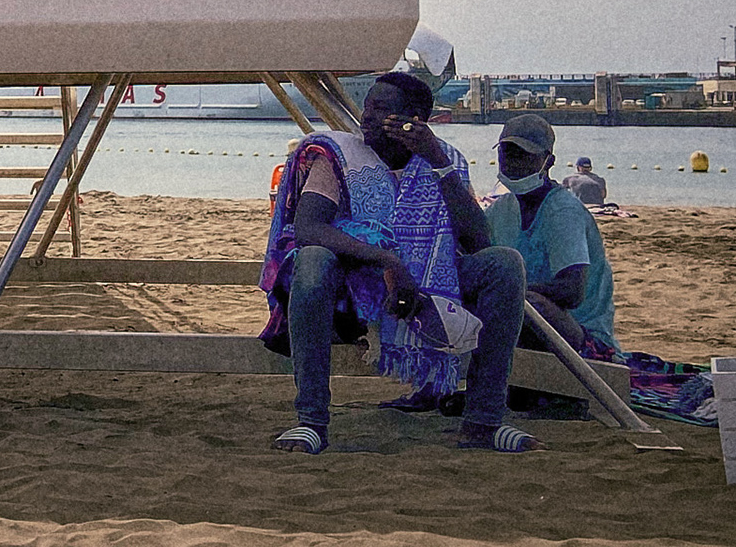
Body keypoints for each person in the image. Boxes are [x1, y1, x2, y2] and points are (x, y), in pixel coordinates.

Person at [260, 71, 541, 454]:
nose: (366, 116)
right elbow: (309, 228)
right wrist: (387, 259)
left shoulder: (444, 160)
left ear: (414, 121)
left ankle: (484, 421)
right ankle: (311, 421)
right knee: (311, 260)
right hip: (351, 300)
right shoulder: (339, 157)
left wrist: (437, 161)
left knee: (504, 264)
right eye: (367, 106)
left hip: (428, 294)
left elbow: (478, 241)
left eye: (380, 109)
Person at [486, 115, 618, 361]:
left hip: (580, 335)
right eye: (507, 153)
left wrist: (513, 290)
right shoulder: (499, 210)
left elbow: (573, 290)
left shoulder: (562, 211)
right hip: (525, 324)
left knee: (528, 304)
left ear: (548, 161)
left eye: (524, 155)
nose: (513, 162)